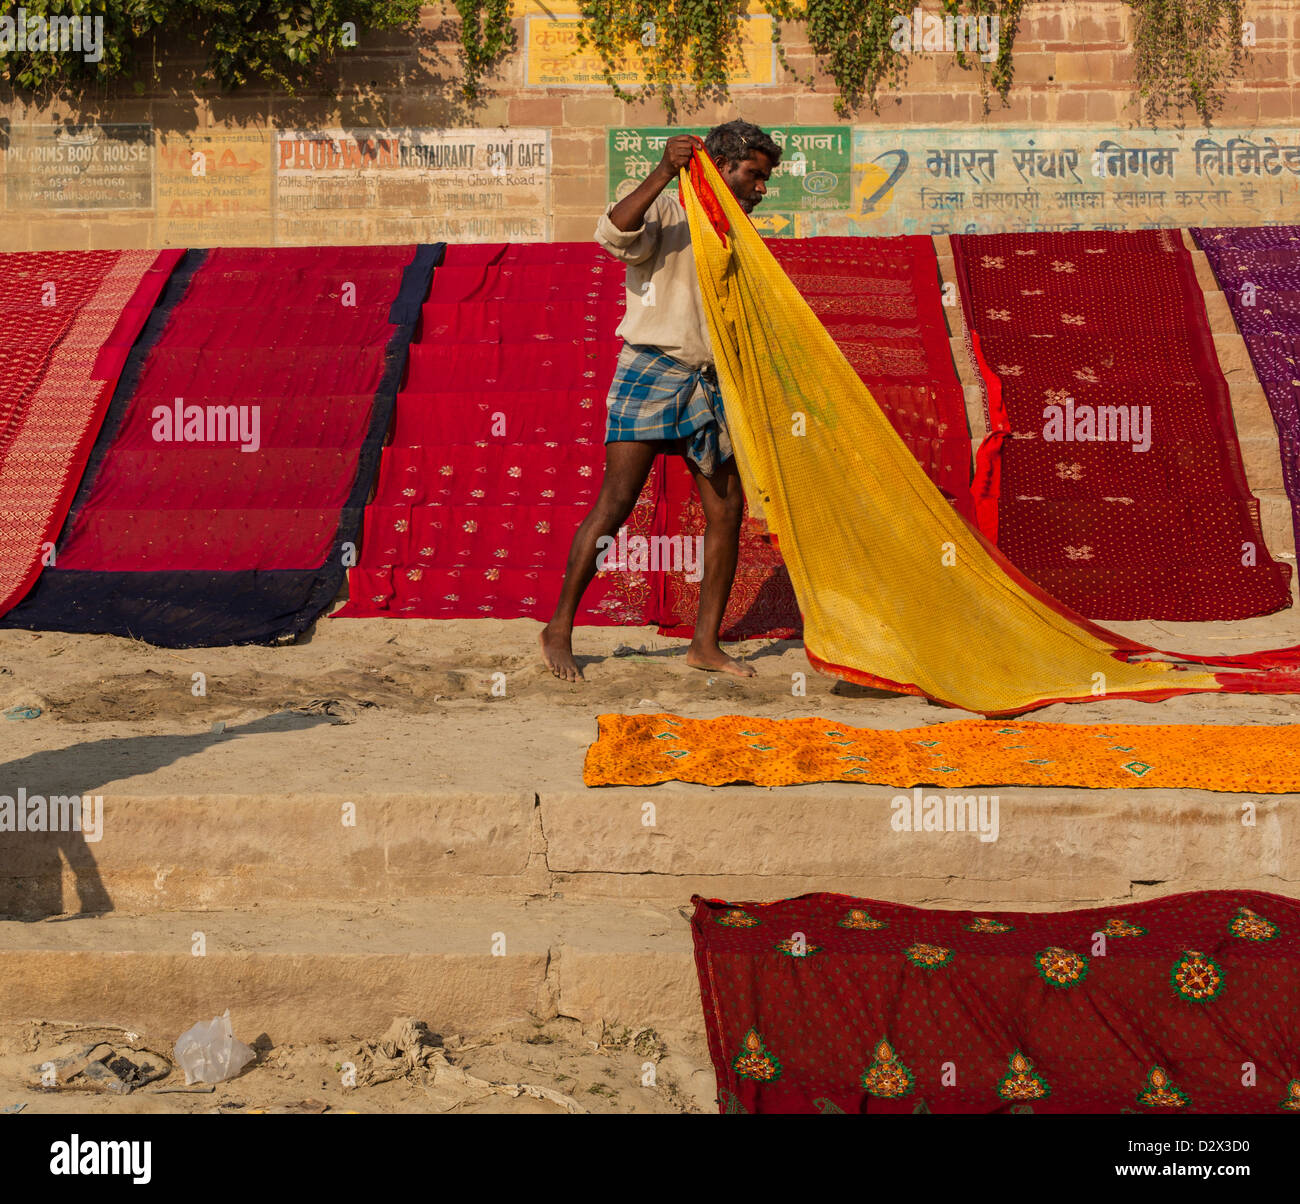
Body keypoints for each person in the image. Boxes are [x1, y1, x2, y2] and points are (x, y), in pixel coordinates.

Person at [539, 120, 781, 682]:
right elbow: (614, 231)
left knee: (726, 511)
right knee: (616, 503)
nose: (762, 188)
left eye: (766, 179)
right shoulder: (670, 211)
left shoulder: (739, 235)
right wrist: (664, 170)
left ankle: (704, 644)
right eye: (754, 175)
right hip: (651, 369)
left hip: (714, 381)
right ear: (721, 168)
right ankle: (559, 628)